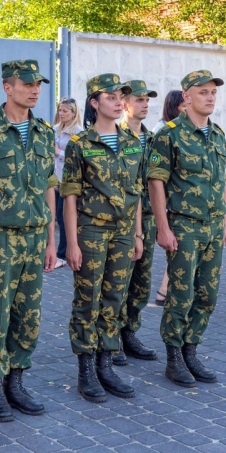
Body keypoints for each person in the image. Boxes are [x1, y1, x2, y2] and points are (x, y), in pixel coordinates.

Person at [0, 59, 57, 422]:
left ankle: (16, 381)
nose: (34, 89)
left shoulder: (44, 131)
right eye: (27, 83)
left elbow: (49, 187)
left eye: (38, 84)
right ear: (8, 87)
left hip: (35, 237)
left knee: (28, 315)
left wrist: (52, 241)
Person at [62, 74, 143, 403]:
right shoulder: (80, 145)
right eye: (109, 96)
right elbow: (69, 196)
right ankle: (85, 370)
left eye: (120, 95)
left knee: (114, 300)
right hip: (91, 231)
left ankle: (105, 364)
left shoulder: (133, 142)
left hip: (124, 232)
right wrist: (72, 243)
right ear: (94, 103)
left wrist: (138, 234)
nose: (117, 100)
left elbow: (136, 192)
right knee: (88, 301)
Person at [147, 70, 226, 388]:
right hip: (183, 226)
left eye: (213, 92)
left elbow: (218, 183)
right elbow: (156, 181)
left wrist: (223, 222)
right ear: (187, 96)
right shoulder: (169, 134)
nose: (210, 97)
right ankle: (174, 357)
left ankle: (191, 349)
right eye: (203, 92)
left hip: (211, 227)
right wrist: (162, 227)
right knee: (181, 294)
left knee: (207, 295)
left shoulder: (218, 134)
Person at [116, 80, 159, 364]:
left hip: (149, 219)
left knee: (141, 281)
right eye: (139, 99)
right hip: (120, 219)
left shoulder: (153, 138)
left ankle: (130, 332)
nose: (144, 104)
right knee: (117, 282)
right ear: (124, 102)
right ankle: (111, 338)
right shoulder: (112, 135)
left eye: (147, 100)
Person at [153, 90, 185, 306]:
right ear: (174, 108)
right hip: (167, 203)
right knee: (176, 248)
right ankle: (164, 292)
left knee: (178, 248)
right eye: (183, 106)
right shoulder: (163, 131)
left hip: (177, 201)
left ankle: (166, 291)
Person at [53, 98, 83, 269]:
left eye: (65, 111)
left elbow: (78, 156)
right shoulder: (55, 129)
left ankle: (63, 253)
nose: (61, 113)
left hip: (68, 180)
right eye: (60, 110)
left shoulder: (77, 132)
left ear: (73, 113)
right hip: (55, 179)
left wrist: (59, 152)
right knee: (56, 215)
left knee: (64, 216)